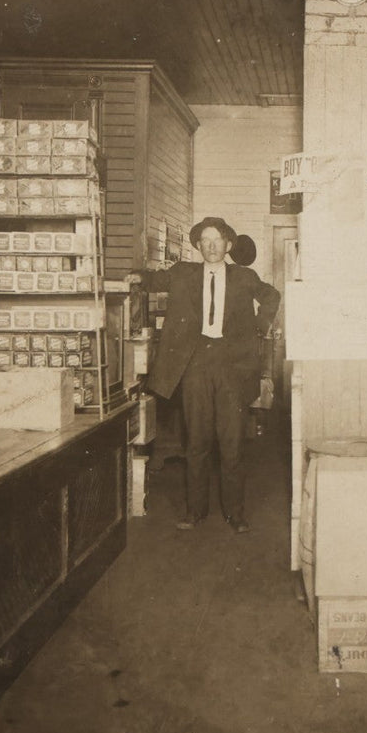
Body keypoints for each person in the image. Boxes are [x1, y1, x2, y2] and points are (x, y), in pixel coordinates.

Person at [131, 217, 280, 533]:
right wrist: (133, 276)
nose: (212, 246)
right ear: (198, 246)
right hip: (195, 364)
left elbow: (272, 296)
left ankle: (235, 513)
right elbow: (152, 280)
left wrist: (259, 326)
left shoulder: (244, 277)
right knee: (196, 441)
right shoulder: (182, 274)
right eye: (206, 241)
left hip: (232, 367)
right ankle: (194, 512)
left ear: (228, 245)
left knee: (232, 442)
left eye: (218, 240)